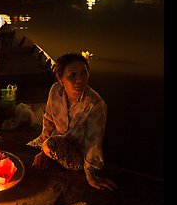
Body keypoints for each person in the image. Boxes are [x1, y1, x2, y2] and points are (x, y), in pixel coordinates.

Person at [28, 53, 117, 191]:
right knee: (31, 149)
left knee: (49, 145)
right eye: (72, 75)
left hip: (77, 152)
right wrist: (42, 151)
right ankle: (47, 152)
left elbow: (93, 142)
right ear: (60, 79)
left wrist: (90, 175)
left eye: (83, 73)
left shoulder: (95, 104)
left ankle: (49, 153)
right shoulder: (55, 91)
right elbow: (49, 120)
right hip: (56, 138)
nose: (80, 80)